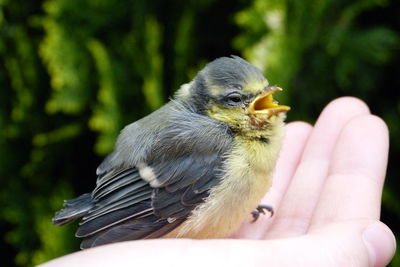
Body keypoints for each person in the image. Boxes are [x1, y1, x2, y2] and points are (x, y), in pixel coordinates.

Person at [40, 97, 396, 267]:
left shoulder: (254, 146)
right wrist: (106, 215)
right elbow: (156, 202)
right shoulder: (218, 147)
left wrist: (243, 205)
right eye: (239, 99)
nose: (264, 101)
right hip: (135, 192)